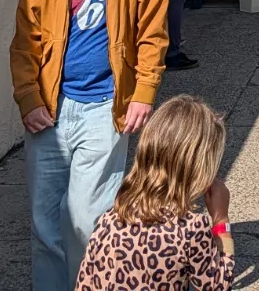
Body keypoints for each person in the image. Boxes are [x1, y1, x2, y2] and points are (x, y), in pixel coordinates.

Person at [10, 0, 169, 291]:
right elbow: (25, 40)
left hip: (105, 105)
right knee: (45, 222)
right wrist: (28, 97)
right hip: (50, 109)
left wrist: (143, 92)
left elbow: (153, 33)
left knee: (86, 218)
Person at [75, 94, 235, 290]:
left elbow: (84, 283)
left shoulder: (110, 219)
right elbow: (218, 285)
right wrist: (221, 219)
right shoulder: (191, 228)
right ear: (198, 167)